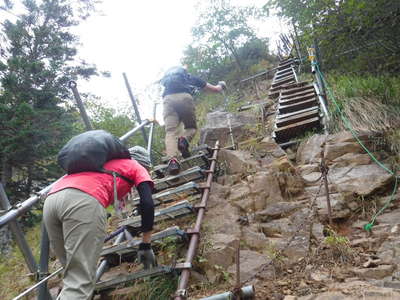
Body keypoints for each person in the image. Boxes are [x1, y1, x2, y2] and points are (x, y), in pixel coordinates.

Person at [43, 158, 156, 300]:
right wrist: (145, 243)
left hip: (52, 200)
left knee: (73, 275)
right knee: (80, 281)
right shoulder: (135, 165)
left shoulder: (98, 162)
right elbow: (147, 203)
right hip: (82, 200)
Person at [160, 65, 226, 175]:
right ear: (183, 71)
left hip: (168, 100)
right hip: (185, 98)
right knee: (191, 127)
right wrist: (221, 85)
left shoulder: (167, 84)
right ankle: (184, 140)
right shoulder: (189, 78)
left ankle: (173, 161)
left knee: (171, 132)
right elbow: (215, 89)